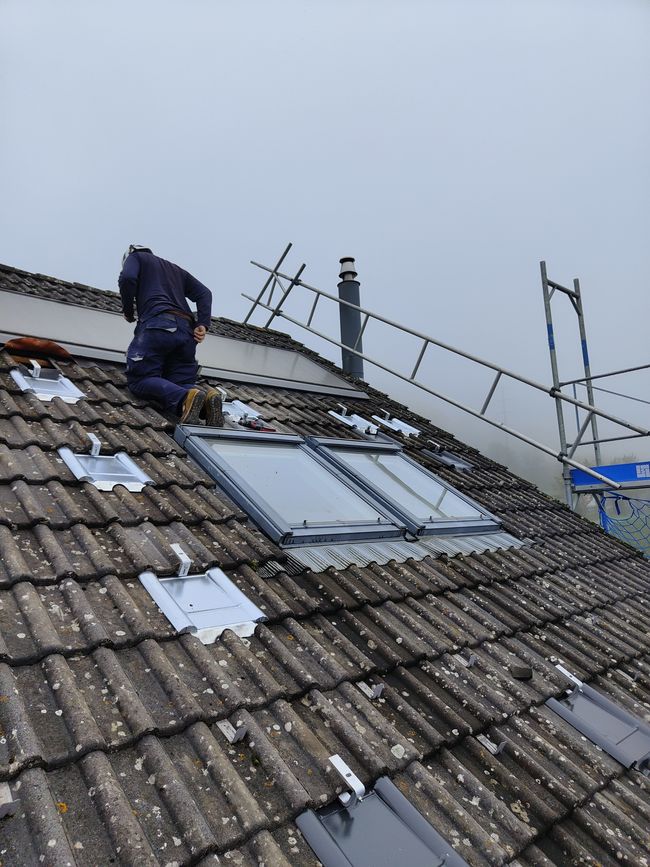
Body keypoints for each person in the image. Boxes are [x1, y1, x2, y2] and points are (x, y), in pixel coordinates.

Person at [118, 245, 223, 425]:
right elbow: (204, 293)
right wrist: (203, 324)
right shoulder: (176, 270)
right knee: (179, 381)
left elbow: (127, 278)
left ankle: (184, 398)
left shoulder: (136, 258)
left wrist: (128, 311)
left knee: (140, 379)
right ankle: (206, 399)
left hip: (159, 324)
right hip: (187, 332)